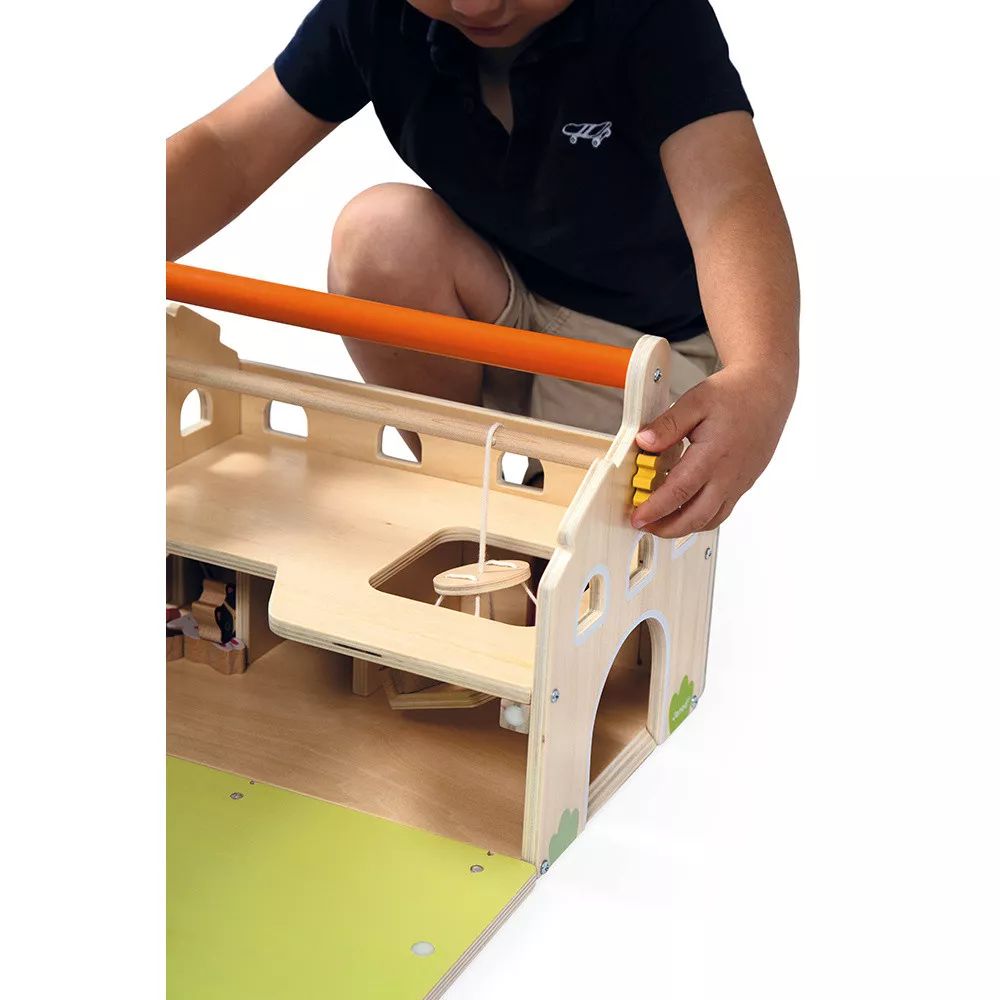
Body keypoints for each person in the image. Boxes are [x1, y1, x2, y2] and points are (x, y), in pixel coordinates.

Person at [167, 0, 799, 539]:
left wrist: (761, 375)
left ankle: (523, 524)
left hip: (640, 355)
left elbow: (727, 200)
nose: (474, 5)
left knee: (589, 552)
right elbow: (227, 151)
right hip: (503, 314)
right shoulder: (375, 11)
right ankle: (465, 502)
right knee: (378, 235)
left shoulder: (653, 16)